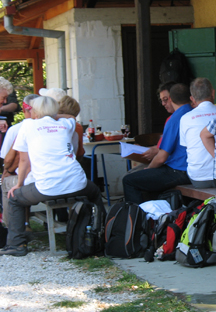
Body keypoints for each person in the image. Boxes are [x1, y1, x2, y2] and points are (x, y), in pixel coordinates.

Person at [0, 96, 104, 256]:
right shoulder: (66, 123)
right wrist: (53, 115)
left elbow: (24, 161)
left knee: (14, 199)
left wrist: (19, 185)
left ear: (34, 111)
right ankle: (102, 232)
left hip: (47, 187)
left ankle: (17, 244)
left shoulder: (28, 125)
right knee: (95, 191)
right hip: (77, 182)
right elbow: (71, 116)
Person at [123, 83, 193, 204]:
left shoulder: (175, 119)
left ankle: (139, 216)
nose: (163, 104)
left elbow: (161, 158)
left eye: (165, 99)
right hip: (195, 169)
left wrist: (149, 169)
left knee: (128, 180)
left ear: (171, 98)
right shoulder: (193, 113)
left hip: (180, 171)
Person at [1, 94, 39, 229]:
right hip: (57, 178)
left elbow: (9, 159)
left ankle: (11, 227)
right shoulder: (60, 126)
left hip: (33, 179)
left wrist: (6, 171)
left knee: (8, 183)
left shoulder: (18, 129)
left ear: (24, 109)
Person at [179, 78, 216, 188]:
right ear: (213, 93)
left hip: (198, 178)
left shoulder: (185, 118)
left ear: (192, 99)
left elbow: (185, 146)